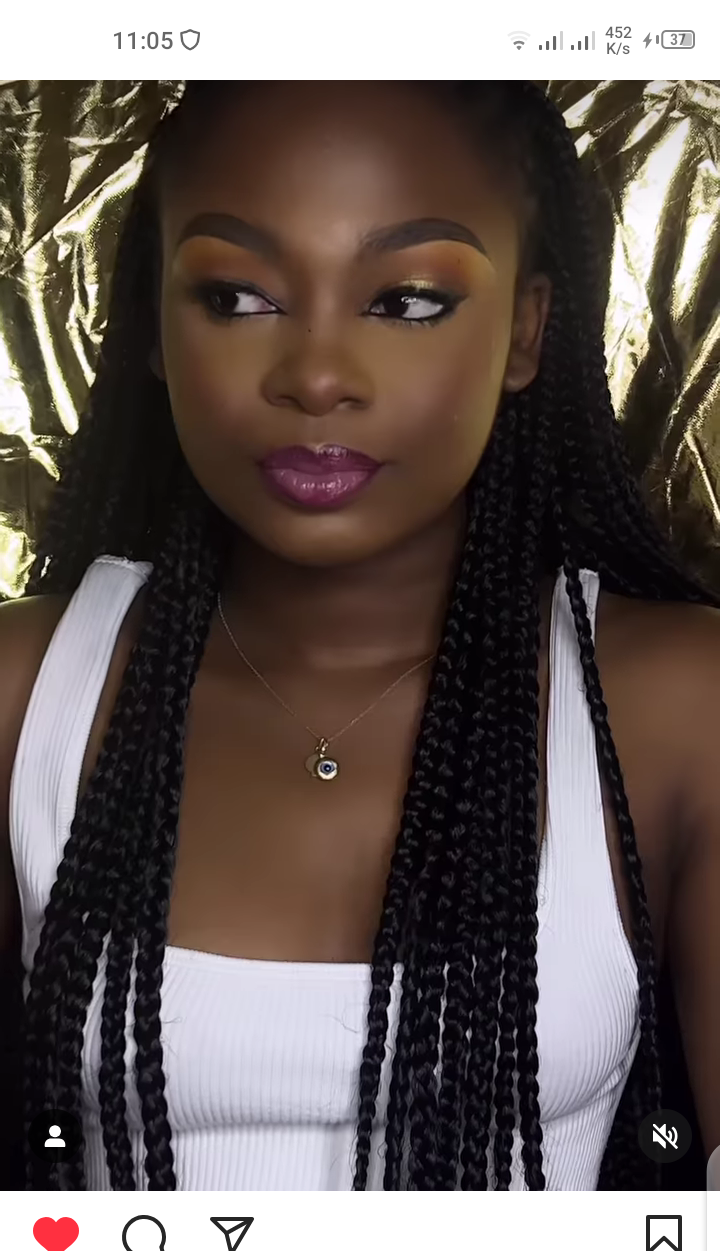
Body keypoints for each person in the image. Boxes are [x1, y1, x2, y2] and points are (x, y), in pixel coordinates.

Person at [1, 80, 719, 1194]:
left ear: (526, 331)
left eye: (408, 301)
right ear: (155, 325)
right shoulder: (27, 689)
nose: (317, 377)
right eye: (237, 296)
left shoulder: (672, 706)